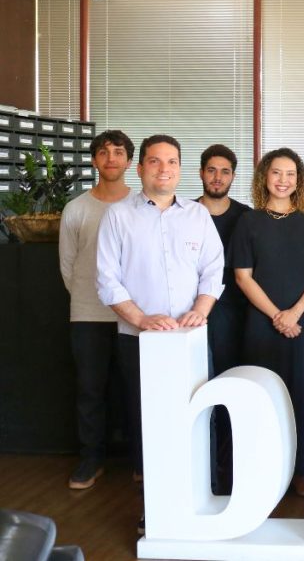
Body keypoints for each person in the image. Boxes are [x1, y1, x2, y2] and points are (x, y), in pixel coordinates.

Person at [96, 134, 224, 534]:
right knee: (149, 424)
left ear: (180, 169)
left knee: (198, 417)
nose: (163, 169)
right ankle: (156, 510)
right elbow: (107, 279)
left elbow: (213, 270)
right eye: (154, 161)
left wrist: (201, 309)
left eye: (171, 162)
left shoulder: (197, 215)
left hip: (190, 338)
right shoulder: (118, 216)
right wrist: (141, 318)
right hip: (139, 340)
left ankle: (203, 500)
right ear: (140, 169)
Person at [231, 148, 304, 497]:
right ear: (264, 177)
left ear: (299, 180)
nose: (283, 180)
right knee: (264, 396)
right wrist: (277, 315)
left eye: (290, 174)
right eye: (276, 173)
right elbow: (243, 277)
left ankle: (302, 470)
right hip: (262, 322)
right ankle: (266, 471)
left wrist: (295, 312)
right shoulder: (249, 221)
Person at [59, 129, 133, 490]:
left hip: (134, 316)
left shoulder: (141, 206)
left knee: (134, 389)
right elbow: (68, 265)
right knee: (90, 390)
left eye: (118, 152)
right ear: (94, 160)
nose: (111, 159)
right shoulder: (76, 209)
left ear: (130, 162)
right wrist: (89, 298)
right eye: (104, 152)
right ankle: (91, 459)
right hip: (88, 313)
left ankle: (140, 461)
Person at [196, 143, 251, 494]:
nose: (218, 178)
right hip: (193, 317)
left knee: (230, 390)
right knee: (198, 391)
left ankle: (230, 468)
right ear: (201, 173)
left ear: (233, 176)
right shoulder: (185, 213)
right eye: (212, 170)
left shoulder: (246, 217)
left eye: (225, 171)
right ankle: (202, 467)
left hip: (235, 317)